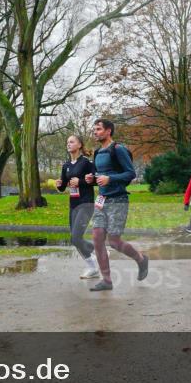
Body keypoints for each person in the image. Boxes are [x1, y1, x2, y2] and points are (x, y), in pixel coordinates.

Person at [85, 118, 149, 291]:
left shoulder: (118, 149)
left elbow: (130, 173)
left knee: (113, 241)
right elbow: (100, 175)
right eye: (95, 129)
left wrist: (110, 178)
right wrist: (92, 179)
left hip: (118, 200)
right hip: (102, 200)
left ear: (108, 131)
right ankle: (107, 280)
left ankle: (141, 259)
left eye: (98, 129)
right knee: (97, 239)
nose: (95, 132)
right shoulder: (98, 153)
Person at [55, 134, 100, 279]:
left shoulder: (86, 163)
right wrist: (59, 185)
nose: (68, 144)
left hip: (86, 203)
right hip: (73, 205)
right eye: (67, 142)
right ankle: (93, 267)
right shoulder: (66, 165)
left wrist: (80, 182)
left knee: (76, 237)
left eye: (72, 141)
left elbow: (96, 180)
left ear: (79, 145)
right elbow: (63, 187)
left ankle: (97, 254)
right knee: (75, 239)